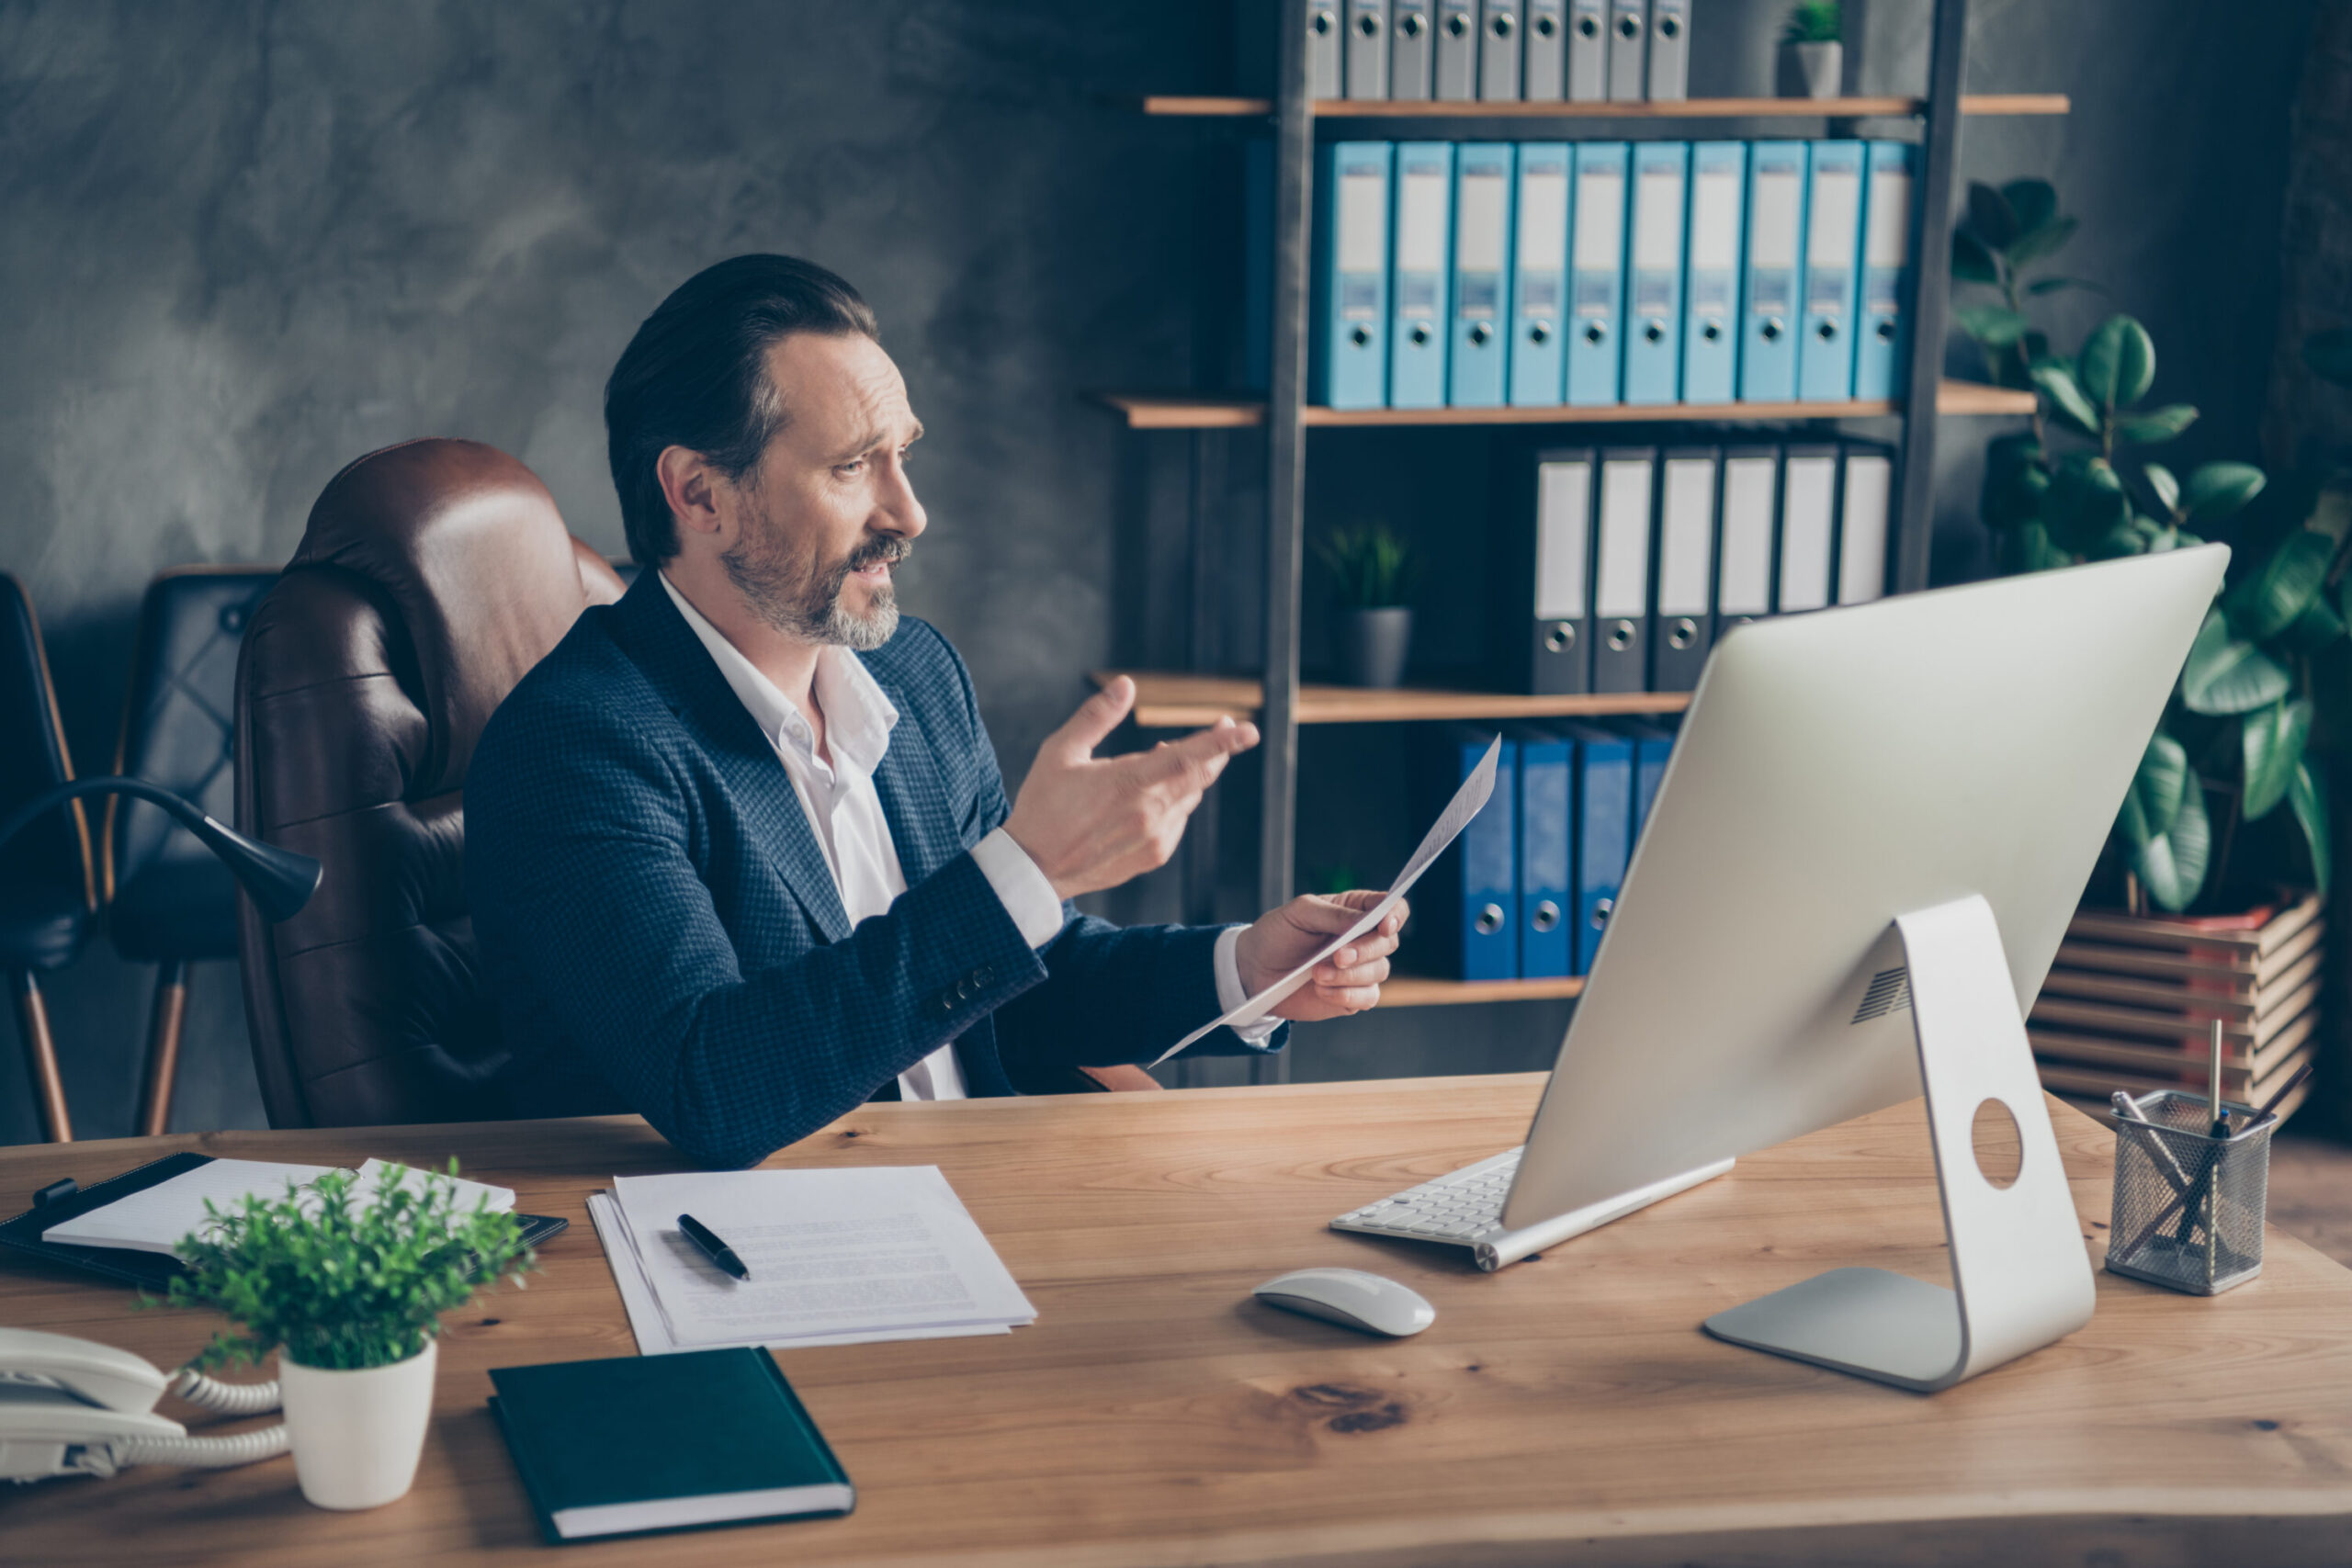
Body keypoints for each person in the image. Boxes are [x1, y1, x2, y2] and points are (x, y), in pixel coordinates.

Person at [467, 254, 1405, 1168]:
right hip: (743, 1247)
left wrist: (1247, 968)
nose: (909, 513)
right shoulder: (579, 746)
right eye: (850, 467)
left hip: (976, 1199)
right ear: (700, 495)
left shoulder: (914, 673)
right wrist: (1028, 867)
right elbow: (711, 1084)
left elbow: (1007, 981)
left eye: (902, 455)